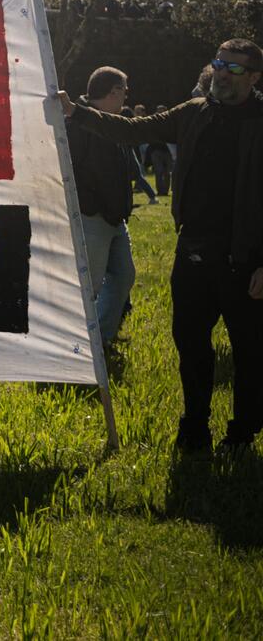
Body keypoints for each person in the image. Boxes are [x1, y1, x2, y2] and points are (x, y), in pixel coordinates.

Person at [63, 40, 263, 452]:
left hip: (246, 260)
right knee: (191, 347)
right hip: (193, 253)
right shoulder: (194, 113)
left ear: (255, 77)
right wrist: (77, 113)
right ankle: (194, 430)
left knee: (250, 354)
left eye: (235, 69)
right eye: (219, 64)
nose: (223, 73)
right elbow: (133, 129)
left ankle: (242, 434)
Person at [65, 68, 137, 355]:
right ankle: (76, 347)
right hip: (92, 217)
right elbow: (70, 169)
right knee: (88, 287)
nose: (126, 97)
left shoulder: (113, 122)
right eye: (124, 91)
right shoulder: (78, 123)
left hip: (115, 219)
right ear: (114, 92)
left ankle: (102, 339)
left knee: (123, 277)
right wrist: (91, 205)